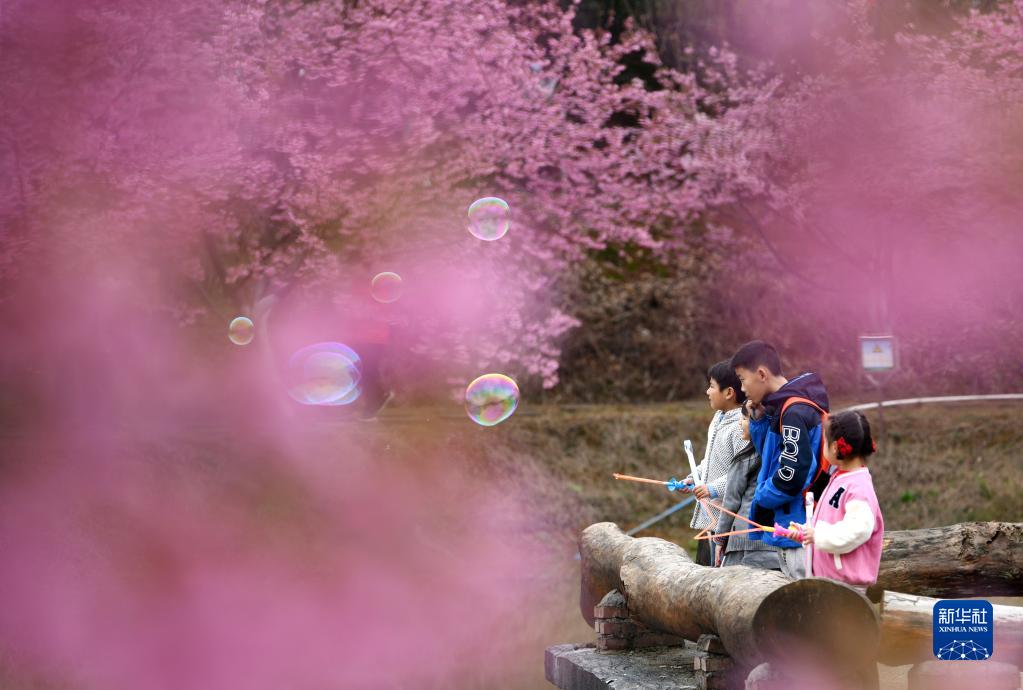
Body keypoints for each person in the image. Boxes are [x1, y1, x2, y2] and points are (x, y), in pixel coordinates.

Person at [730, 340, 830, 579]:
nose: (742, 389)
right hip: (791, 524)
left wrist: (762, 495)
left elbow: (795, 472)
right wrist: (759, 420)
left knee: (805, 594)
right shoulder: (781, 408)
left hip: (797, 527)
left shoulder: (793, 412)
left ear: (761, 374)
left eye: (742, 379)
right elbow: (771, 456)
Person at [792, 410, 884, 587]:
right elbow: (831, 523)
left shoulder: (859, 488)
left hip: (846, 590)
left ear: (834, 447)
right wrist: (806, 532)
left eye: (825, 441)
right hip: (830, 584)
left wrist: (817, 535)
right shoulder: (841, 478)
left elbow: (857, 530)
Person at [677, 360, 748, 566]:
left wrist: (712, 488)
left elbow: (742, 473)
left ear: (729, 393)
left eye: (711, 386)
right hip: (709, 521)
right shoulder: (718, 418)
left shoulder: (741, 427)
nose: (707, 392)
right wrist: (694, 477)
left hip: (726, 524)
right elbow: (710, 461)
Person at [713, 403, 783, 570]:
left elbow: (731, 503)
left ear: (760, 424)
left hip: (743, 541)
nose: (739, 422)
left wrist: (720, 539)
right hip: (776, 541)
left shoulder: (745, 458)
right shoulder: (783, 457)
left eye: (745, 418)